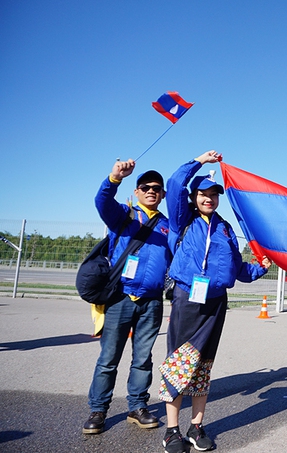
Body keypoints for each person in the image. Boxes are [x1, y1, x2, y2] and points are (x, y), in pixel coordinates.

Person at [159, 151, 271, 453]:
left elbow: (237, 269)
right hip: (187, 299)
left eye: (214, 194)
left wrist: (261, 266)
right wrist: (200, 161)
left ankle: (196, 427)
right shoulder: (184, 219)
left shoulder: (225, 229)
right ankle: (172, 430)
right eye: (203, 194)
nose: (209, 198)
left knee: (203, 367)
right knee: (180, 363)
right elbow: (174, 182)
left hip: (216, 304)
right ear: (194, 197)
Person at [83, 160, 172, 435]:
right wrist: (113, 178)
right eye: (145, 187)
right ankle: (98, 410)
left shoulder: (169, 226)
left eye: (157, 188)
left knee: (143, 358)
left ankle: (138, 407)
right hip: (121, 298)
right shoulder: (123, 215)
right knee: (108, 358)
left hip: (152, 301)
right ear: (136, 191)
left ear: (163, 195)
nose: (151, 191)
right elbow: (102, 202)